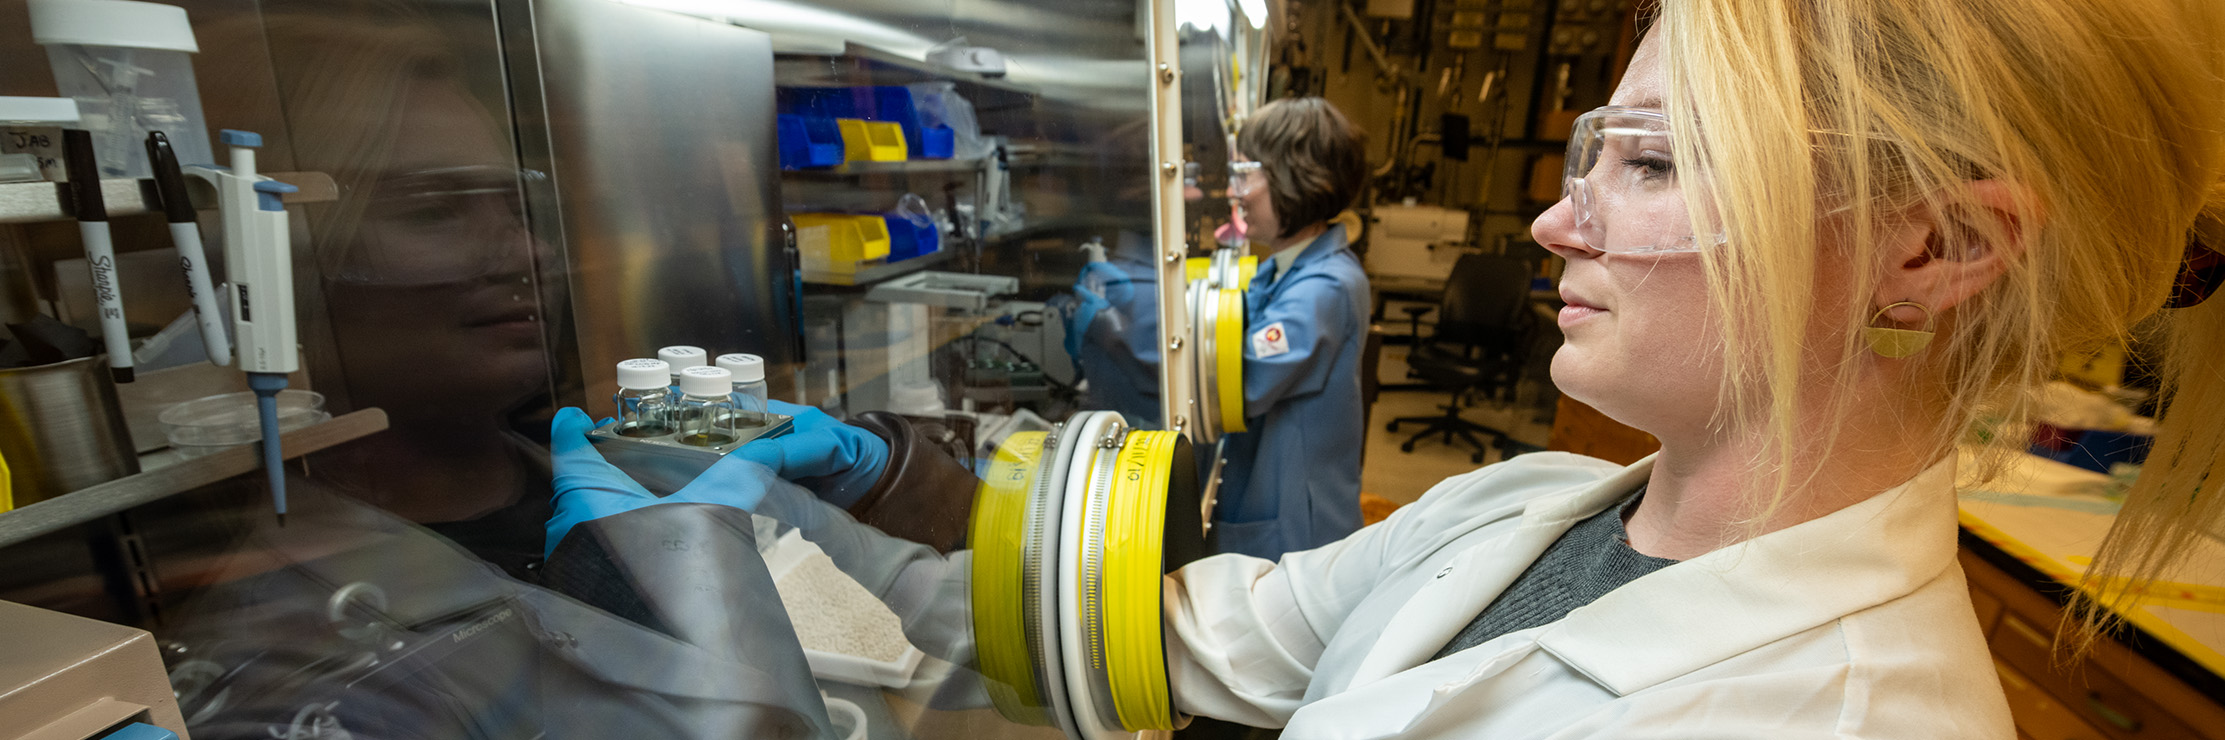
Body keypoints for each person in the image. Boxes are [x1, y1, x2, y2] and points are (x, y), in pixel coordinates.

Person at [546, 0, 2225, 735]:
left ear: (1934, 250)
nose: (1558, 229)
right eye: (1585, 158)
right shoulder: (1533, 507)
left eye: (1649, 166)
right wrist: (865, 479)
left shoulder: (1839, 722)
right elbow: (1182, 642)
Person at [1209, 97, 1373, 559]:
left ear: (1292, 179)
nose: (1234, 192)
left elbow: (1237, 383)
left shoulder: (1321, 290)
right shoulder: (1286, 271)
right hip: (1275, 504)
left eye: (1245, 174)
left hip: (1295, 530)